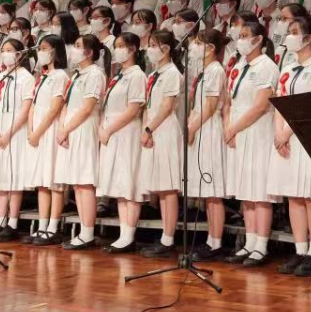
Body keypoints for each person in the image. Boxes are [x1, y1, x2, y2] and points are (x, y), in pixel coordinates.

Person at [266, 16, 311, 276]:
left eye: (294, 32)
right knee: (294, 195)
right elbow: (279, 102)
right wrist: (278, 133)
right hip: (286, 136)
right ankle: (300, 248)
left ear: (309, 38)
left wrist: (287, 132)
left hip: (310, 135)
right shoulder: (288, 67)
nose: (289, 36)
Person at [223, 16, 279, 267]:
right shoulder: (239, 65)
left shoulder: (266, 66)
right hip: (238, 131)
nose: (241, 40)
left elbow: (260, 106)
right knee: (246, 191)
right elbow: (229, 101)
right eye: (240, 36)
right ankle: (250, 241)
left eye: (245, 36)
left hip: (257, 131)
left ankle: (262, 246)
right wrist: (229, 128)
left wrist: (234, 128)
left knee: (259, 192)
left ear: (259, 40)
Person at [54, 34, 107, 250]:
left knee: (85, 181)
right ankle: (84, 231)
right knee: (76, 182)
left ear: (89, 52)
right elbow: (66, 105)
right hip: (70, 128)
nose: (73, 49)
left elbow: (87, 108)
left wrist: (66, 128)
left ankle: (88, 233)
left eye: (78, 46)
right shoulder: (76, 74)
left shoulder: (95, 74)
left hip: (84, 128)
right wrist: (62, 129)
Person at [96, 33, 147, 253]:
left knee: (128, 183)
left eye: (121, 46)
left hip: (126, 132)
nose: (116, 50)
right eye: (115, 46)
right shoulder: (118, 76)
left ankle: (129, 236)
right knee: (118, 184)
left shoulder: (137, 75)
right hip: (112, 133)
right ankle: (122, 233)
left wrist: (109, 129)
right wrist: (102, 127)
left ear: (133, 49)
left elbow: (133, 109)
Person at [138, 30, 184, 258]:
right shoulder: (154, 74)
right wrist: (146, 129)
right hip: (153, 128)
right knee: (161, 186)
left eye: (154, 45)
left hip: (164, 129)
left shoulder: (172, 73)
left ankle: (168, 238)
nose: (150, 50)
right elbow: (149, 106)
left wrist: (149, 129)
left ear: (166, 49)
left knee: (168, 186)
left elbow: (167, 107)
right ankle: (165, 237)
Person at [186, 29, 229, 261]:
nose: (193, 47)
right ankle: (211, 239)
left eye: (197, 43)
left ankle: (216, 242)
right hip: (199, 125)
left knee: (213, 192)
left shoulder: (216, 70)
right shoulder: (203, 71)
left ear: (211, 48)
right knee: (207, 193)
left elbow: (211, 106)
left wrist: (192, 128)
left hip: (209, 129)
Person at [0, 39, 34, 242]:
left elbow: (25, 109)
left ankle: (12, 223)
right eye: (3, 50)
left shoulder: (26, 78)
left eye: (9, 50)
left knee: (13, 177)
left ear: (19, 54)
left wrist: (9, 133)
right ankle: (1, 221)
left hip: (15, 132)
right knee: (0, 177)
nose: (5, 54)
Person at [24, 36, 70, 245]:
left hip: (49, 131)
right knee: (42, 182)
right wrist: (30, 130)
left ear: (55, 51)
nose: (40, 52)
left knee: (53, 181)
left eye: (44, 48)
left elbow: (54, 108)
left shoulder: (60, 76)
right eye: (39, 48)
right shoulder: (42, 76)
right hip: (37, 132)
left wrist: (39, 131)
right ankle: (42, 226)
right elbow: (33, 105)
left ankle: (53, 227)